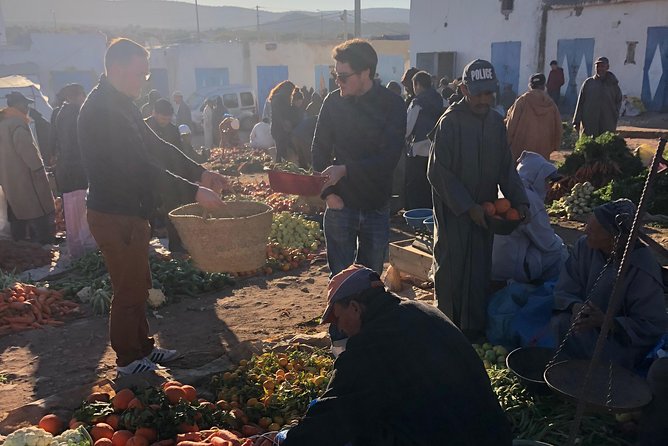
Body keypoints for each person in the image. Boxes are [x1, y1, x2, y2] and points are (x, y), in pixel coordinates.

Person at [77, 38, 228, 375]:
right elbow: (140, 166)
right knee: (128, 289)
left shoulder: (122, 103)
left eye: (146, 75)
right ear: (116, 69)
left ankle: (142, 348)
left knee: (139, 283)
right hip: (114, 213)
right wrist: (194, 191)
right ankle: (128, 362)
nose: (143, 82)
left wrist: (200, 171)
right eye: (139, 74)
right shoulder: (102, 110)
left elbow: (157, 146)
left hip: (132, 211)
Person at [253, 265, 513, 446]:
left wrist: (283, 439)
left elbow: (336, 416)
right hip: (495, 434)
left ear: (355, 307)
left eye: (339, 318)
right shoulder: (422, 311)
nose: (340, 328)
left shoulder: (369, 346)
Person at [427, 59, 529, 341]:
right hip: (454, 215)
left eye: (489, 93)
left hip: (485, 215)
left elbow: (505, 168)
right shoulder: (449, 122)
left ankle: (473, 330)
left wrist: (520, 203)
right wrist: (466, 206)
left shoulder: (496, 123)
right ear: (463, 89)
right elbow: (437, 171)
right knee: (451, 269)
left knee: (479, 270)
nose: (484, 99)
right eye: (478, 93)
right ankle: (447, 330)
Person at [312, 38, 406, 277]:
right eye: (335, 75)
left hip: (376, 207)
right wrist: (329, 194)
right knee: (340, 284)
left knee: (370, 283)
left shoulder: (392, 105)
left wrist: (345, 170)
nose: (338, 82)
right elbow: (318, 152)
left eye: (343, 76)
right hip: (340, 206)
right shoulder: (332, 102)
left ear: (366, 73)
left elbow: (388, 159)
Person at [550, 199, 668, 370]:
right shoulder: (585, 246)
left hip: (619, 338)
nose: (585, 231)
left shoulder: (642, 268)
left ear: (614, 238)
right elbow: (567, 285)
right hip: (585, 324)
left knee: (607, 358)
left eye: (593, 230)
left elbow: (651, 324)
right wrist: (575, 306)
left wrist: (608, 322)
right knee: (560, 323)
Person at [492, 151, 566, 284]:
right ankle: (556, 289)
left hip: (492, 266)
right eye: (546, 181)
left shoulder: (502, 189)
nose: (548, 186)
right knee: (560, 253)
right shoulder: (528, 198)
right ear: (536, 177)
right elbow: (547, 243)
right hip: (511, 269)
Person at [0, 91, 55, 245]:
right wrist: (38, 169)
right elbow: (27, 149)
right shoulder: (16, 123)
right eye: (25, 104)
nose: (26, 107)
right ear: (16, 104)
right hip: (25, 174)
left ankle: (19, 240)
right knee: (38, 207)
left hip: (8, 175)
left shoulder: (3, 123)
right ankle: (44, 238)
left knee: (17, 208)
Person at [53, 83, 96, 258]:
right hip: (74, 171)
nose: (84, 98)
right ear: (77, 96)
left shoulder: (62, 113)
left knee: (75, 214)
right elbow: (74, 145)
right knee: (78, 215)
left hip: (70, 170)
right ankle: (83, 252)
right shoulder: (72, 114)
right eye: (83, 95)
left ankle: (80, 249)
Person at [405, 70, 443, 210]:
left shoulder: (417, 102)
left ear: (418, 85)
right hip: (435, 147)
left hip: (418, 148)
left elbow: (408, 127)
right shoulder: (439, 98)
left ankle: (415, 213)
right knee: (429, 184)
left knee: (415, 185)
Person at [505, 73, 563, 160]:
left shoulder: (522, 101)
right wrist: (554, 147)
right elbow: (558, 129)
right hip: (543, 153)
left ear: (530, 86)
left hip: (521, 154)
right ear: (544, 86)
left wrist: (506, 144)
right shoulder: (551, 104)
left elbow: (511, 126)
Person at [573, 56, 623, 137]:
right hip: (589, 122)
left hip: (607, 122)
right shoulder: (588, 83)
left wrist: (614, 114)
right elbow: (580, 102)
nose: (600, 68)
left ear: (607, 67)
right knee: (588, 145)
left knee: (605, 144)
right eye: (598, 66)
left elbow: (618, 100)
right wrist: (576, 120)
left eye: (602, 66)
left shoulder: (612, 84)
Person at [269, 81, 296, 162]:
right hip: (280, 128)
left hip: (276, 128)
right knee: (281, 150)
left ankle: (279, 166)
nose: (292, 93)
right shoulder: (281, 98)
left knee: (280, 149)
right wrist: (284, 124)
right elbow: (279, 114)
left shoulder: (276, 97)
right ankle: (280, 167)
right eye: (291, 91)